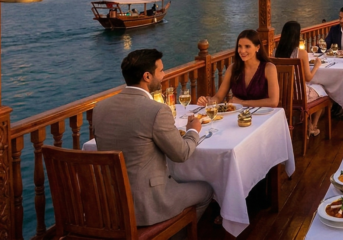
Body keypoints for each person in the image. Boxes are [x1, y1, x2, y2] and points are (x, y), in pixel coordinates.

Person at [91, 49, 213, 227]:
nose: (164, 75)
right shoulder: (156, 110)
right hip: (147, 205)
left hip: (110, 202)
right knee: (206, 190)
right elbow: (181, 153)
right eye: (161, 71)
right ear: (147, 76)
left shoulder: (100, 108)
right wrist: (193, 130)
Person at [198, 30, 279, 108]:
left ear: (257, 47)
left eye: (247, 46)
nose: (242, 51)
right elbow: (219, 97)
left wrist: (242, 103)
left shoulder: (269, 68)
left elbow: (273, 102)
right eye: (240, 46)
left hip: (264, 116)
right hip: (237, 116)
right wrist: (208, 101)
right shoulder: (232, 68)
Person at [275, 21, 327, 137]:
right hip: (299, 95)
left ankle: (307, 123)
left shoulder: (277, 52)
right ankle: (312, 126)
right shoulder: (301, 53)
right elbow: (308, 78)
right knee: (324, 90)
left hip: (283, 95)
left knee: (315, 88)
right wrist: (317, 65)